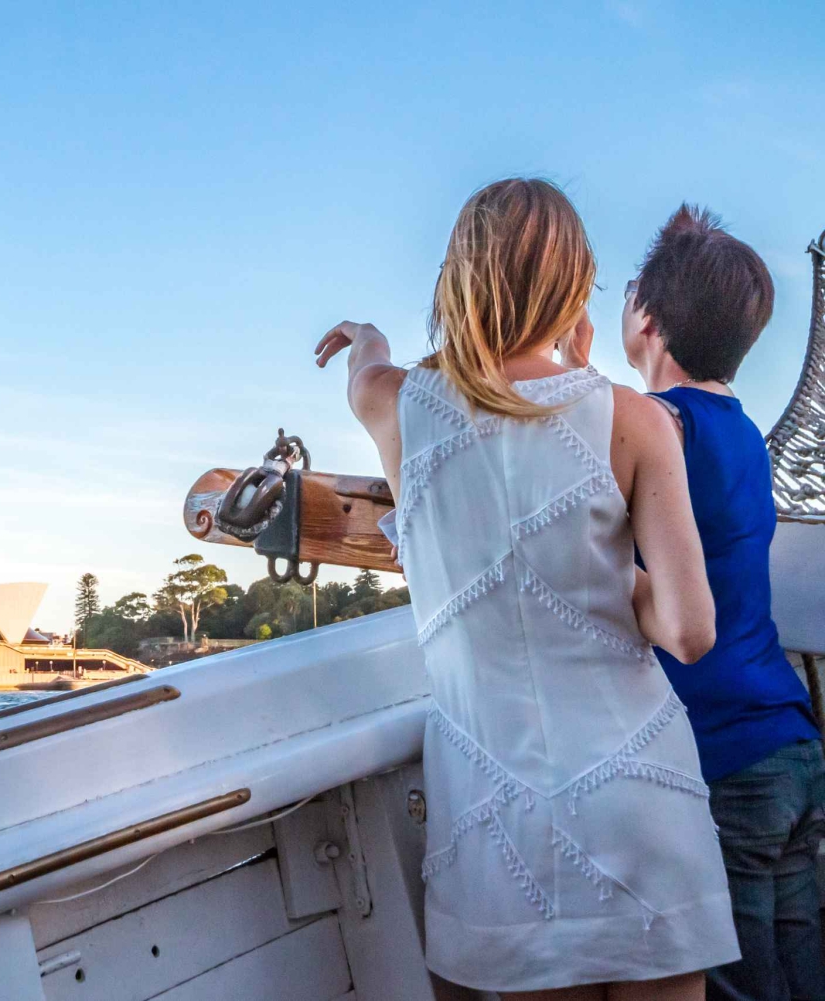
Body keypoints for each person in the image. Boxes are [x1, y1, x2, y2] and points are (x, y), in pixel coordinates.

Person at [315, 178, 738, 1000]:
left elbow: (369, 366)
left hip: (495, 815)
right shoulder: (634, 420)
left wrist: (367, 335)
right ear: (575, 288)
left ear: (460, 278)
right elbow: (690, 630)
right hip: (640, 797)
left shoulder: (394, 405)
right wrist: (601, 572)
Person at [620, 206, 824, 1001]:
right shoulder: (738, 430)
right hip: (791, 741)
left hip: (730, 763)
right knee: (801, 969)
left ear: (646, 318)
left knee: (739, 986)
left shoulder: (661, 423)